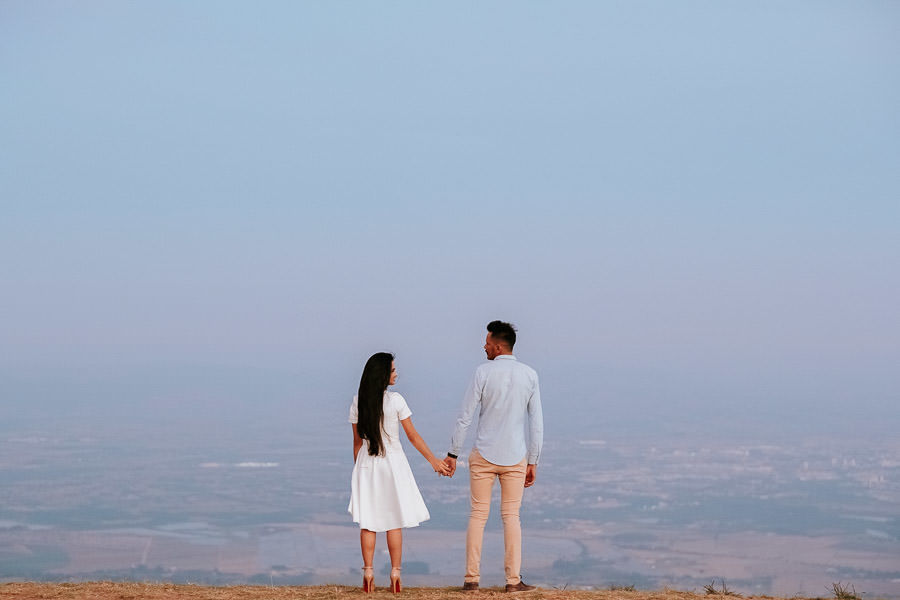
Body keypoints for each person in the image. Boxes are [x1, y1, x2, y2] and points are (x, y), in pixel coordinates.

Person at [444, 321, 544, 593]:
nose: (484, 346)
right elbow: (536, 423)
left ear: (498, 346)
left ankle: (471, 579)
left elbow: (465, 416)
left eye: (487, 342)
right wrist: (533, 460)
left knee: (478, 515)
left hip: (484, 454)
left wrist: (453, 453)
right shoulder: (530, 375)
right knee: (511, 516)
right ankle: (513, 581)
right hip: (516, 456)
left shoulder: (482, 373)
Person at [349, 352, 451, 593]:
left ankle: (369, 573)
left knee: (368, 521)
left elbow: (356, 442)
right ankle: (395, 573)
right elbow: (412, 436)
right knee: (394, 520)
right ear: (383, 375)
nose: (396, 374)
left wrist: (359, 470)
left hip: (366, 463)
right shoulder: (396, 401)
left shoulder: (357, 401)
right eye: (393, 370)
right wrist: (434, 461)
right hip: (393, 463)